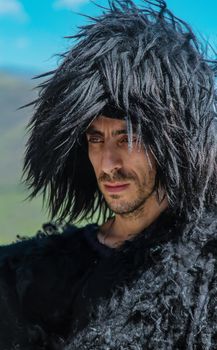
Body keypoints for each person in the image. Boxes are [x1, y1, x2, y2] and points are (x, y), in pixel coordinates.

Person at [0, 0, 217, 349]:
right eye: (95, 140)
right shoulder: (26, 281)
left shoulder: (207, 276)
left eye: (127, 137)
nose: (106, 163)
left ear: (170, 143)